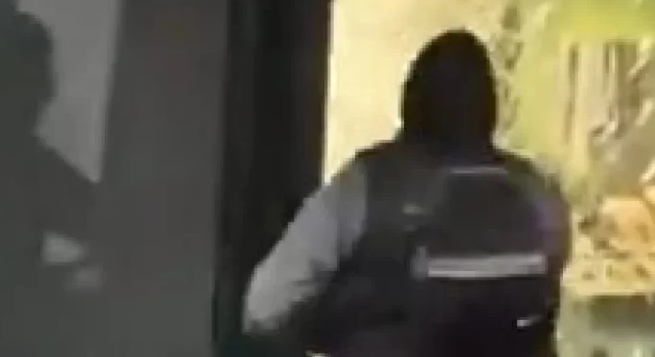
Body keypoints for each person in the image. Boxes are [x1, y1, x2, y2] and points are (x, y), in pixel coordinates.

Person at [243, 30, 571, 357]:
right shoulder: (539, 196)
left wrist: (334, 320)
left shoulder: (363, 188)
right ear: (492, 109)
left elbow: (265, 306)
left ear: (408, 101)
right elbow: (545, 295)